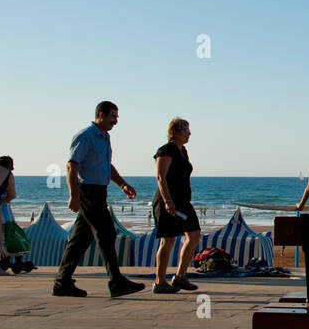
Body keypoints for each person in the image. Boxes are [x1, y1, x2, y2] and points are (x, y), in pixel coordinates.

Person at [53, 101, 146, 298]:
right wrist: (74, 195)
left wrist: (122, 184)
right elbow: (72, 166)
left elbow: (106, 165)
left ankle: (62, 282)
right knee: (106, 232)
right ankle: (116, 281)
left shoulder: (105, 138)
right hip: (87, 191)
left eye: (117, 117)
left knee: (81, 239)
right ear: (101, 115)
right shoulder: (86, 136)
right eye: (113, 116)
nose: (116, 121)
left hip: (99, 190)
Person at [150, 118, 201, 294]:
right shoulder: (166, 150)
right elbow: (160, 177)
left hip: (183, 202)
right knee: (168, 239)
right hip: (168, 201)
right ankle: (160, 281)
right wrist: (167, 201)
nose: (189, 133)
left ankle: (180, 277)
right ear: (177, 131)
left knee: (194, 235)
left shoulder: (182, 151)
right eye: (186, 130)